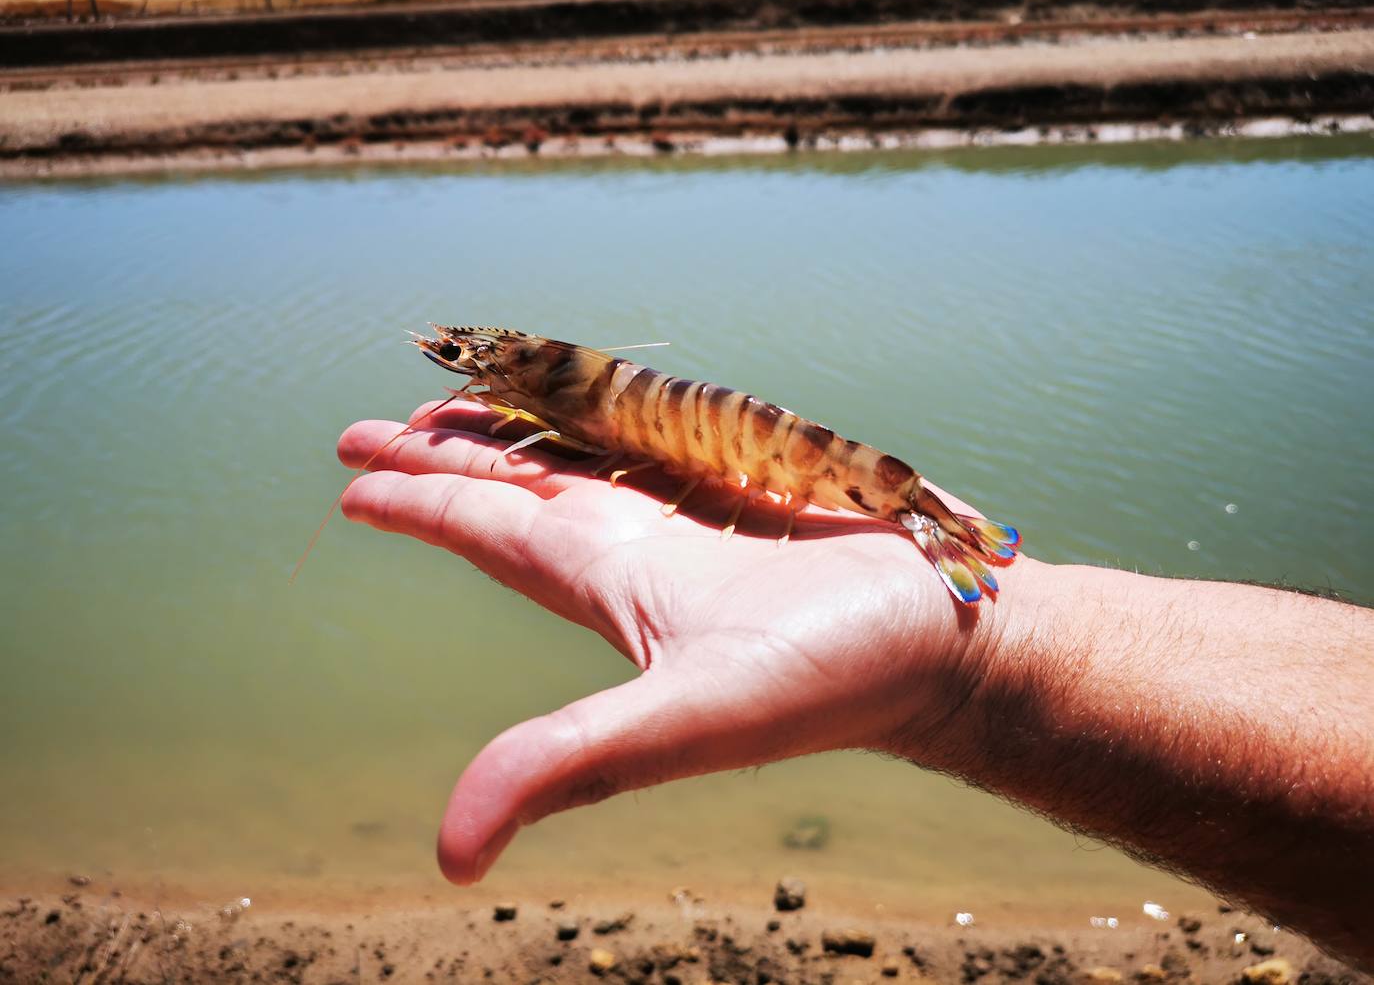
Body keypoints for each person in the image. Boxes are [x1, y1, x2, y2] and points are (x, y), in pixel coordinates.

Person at [336, 400, 1374, 968]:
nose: (475, 374)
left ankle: (919, 520)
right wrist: (1012, 638)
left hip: (846, 483)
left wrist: (996, 644)